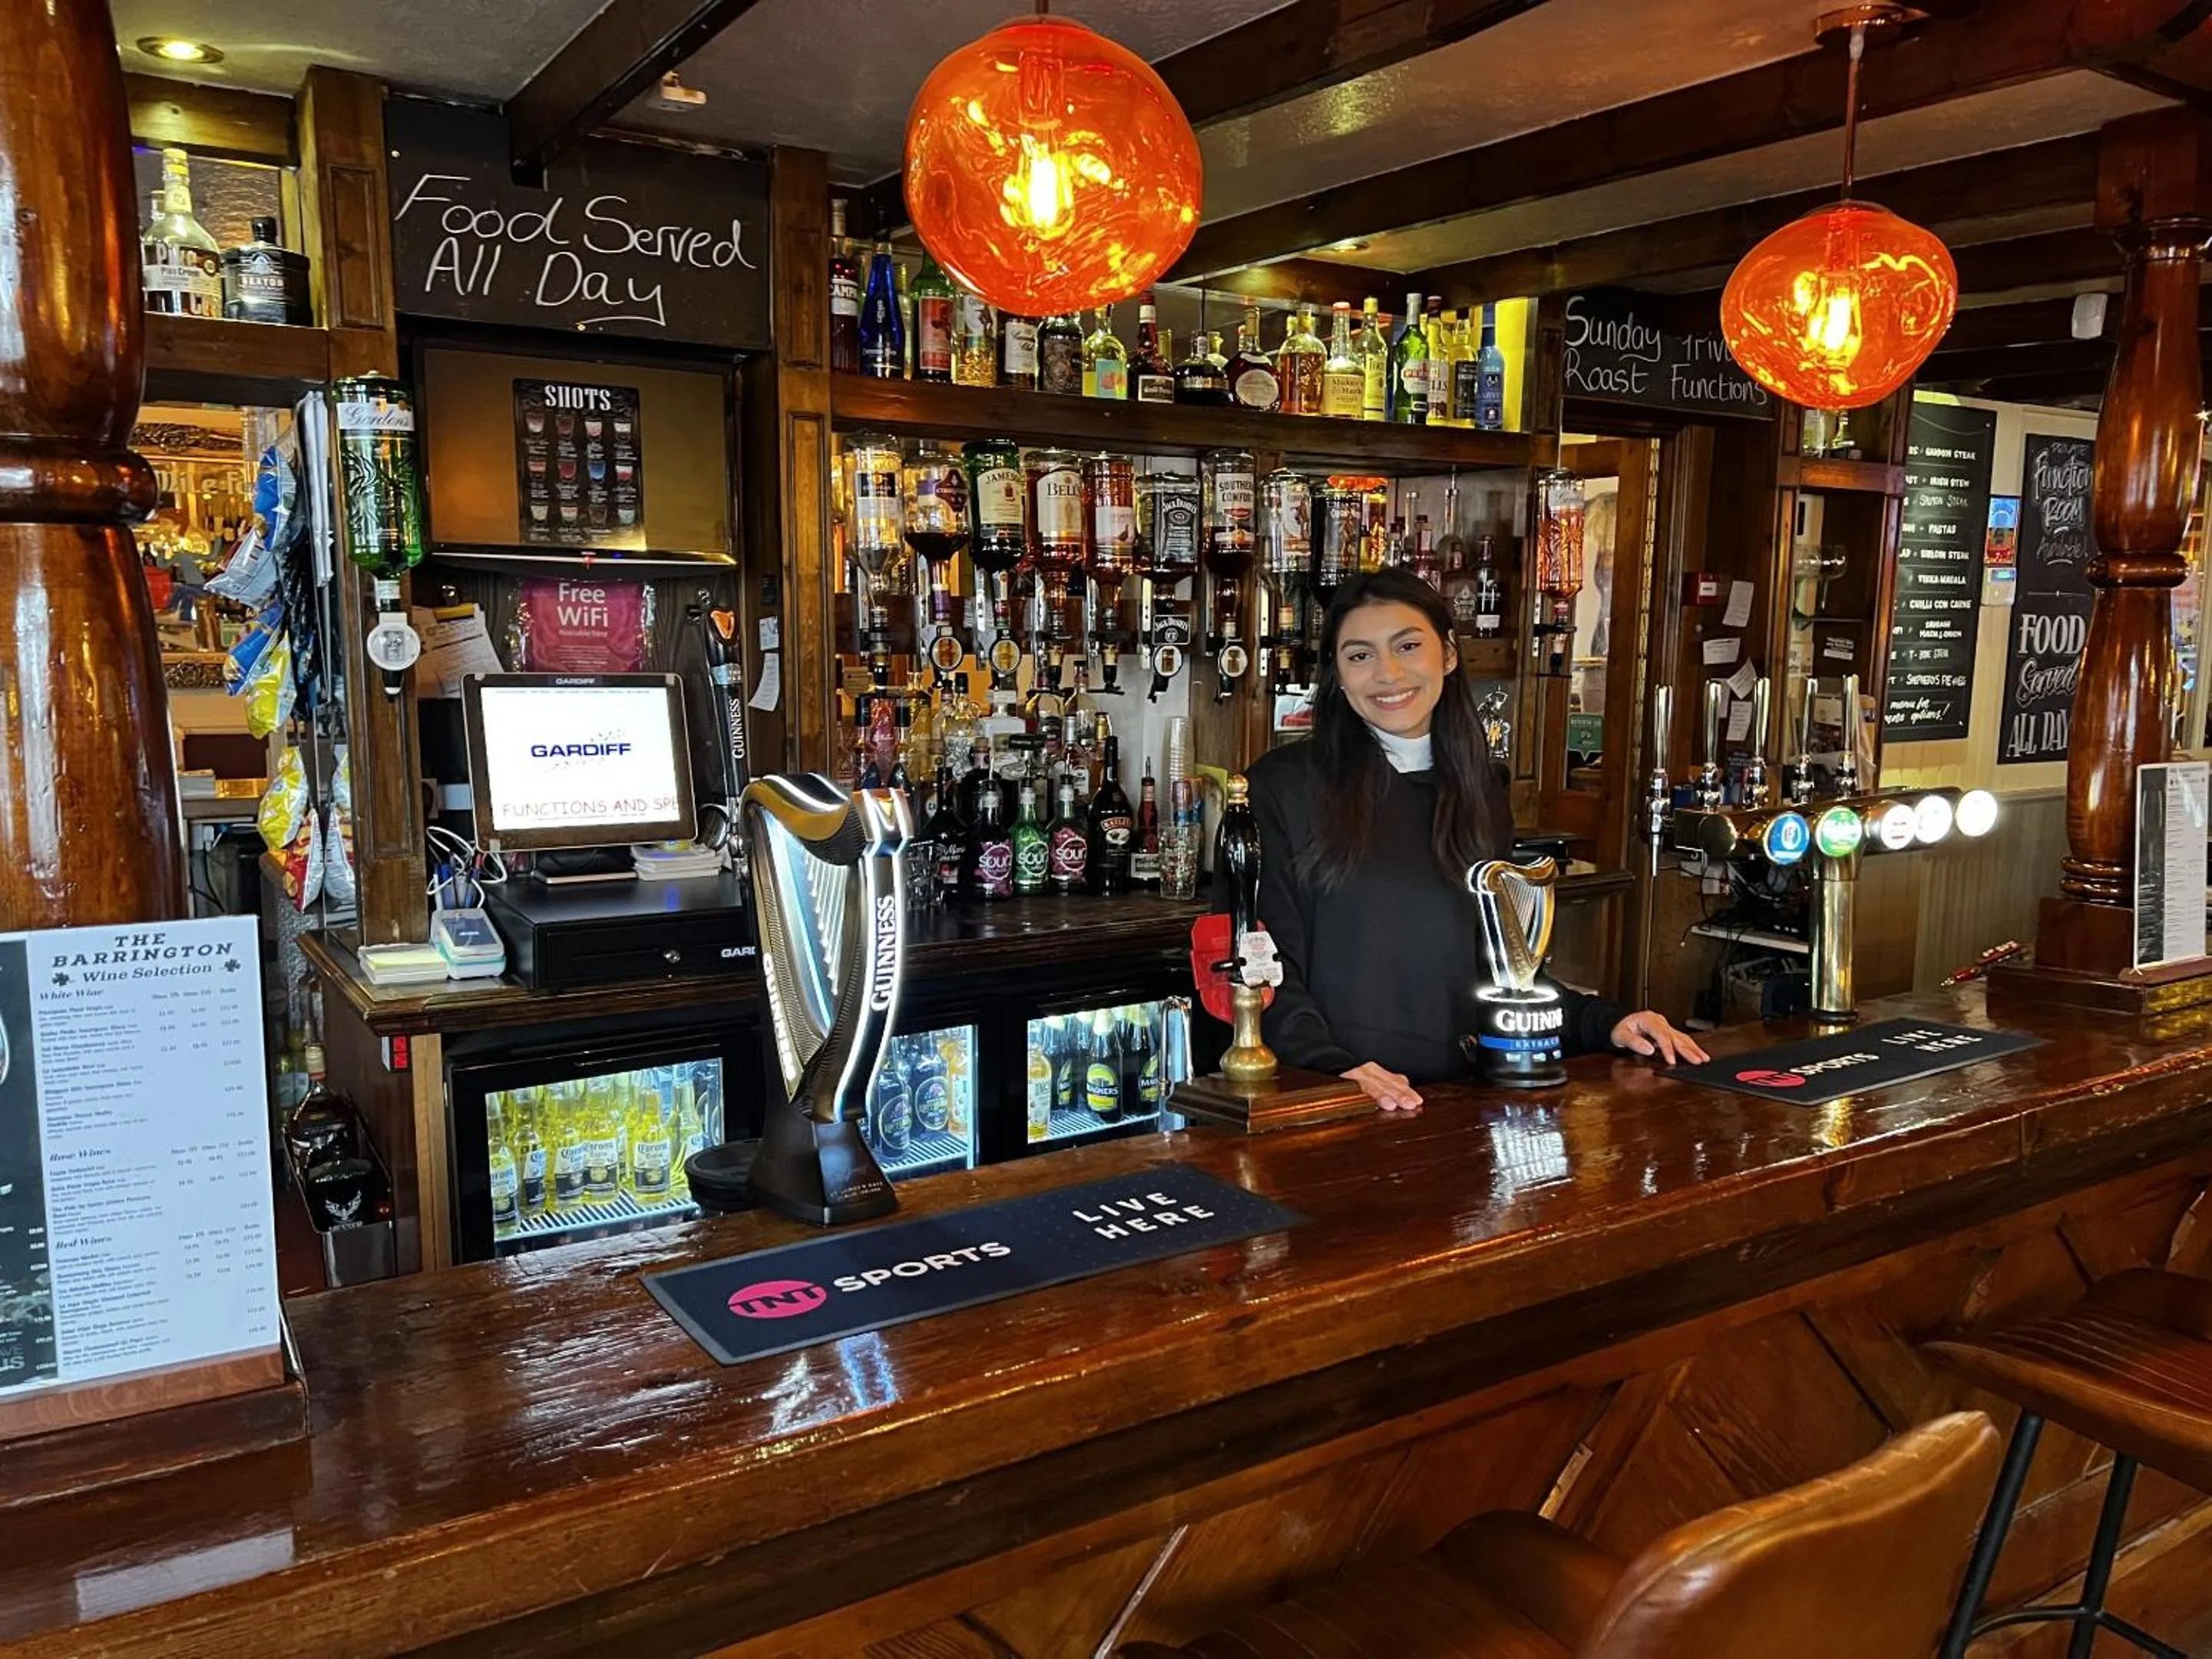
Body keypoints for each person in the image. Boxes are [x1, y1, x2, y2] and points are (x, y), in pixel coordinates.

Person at [1248, 567, 1706, 1113]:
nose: (1387, 674)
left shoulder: (1479, 787)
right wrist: (1330, 1066)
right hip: (1338, 1101)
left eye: (1407, 646)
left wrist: (1604, 1021)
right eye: (1359, 655)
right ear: (1337, 675)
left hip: (1461, 1098)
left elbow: (1502, 963)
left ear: (1447, 654)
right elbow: (1257, 960)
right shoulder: (1284, 785)